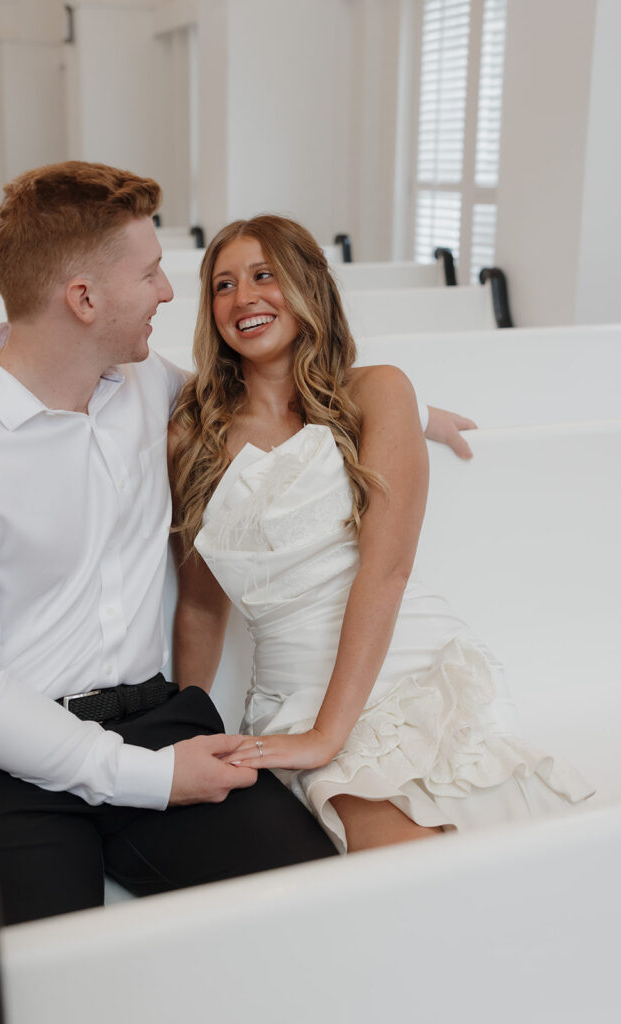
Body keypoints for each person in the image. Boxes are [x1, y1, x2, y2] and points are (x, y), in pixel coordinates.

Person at [0, 160, 478, 924]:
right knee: (38, 974)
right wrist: (144, 777)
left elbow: (273, 402)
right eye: (150, 273)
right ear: (83, 299)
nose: (165, 292)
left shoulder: (145, 388)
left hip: (153, 721)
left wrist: (406, 412)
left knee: (324, 913)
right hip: (5, 759)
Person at [168, 214, 593, 853]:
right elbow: (201, 606)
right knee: (397, 862)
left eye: (264, 275)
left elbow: (385, 571)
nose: (244, 298)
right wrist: (185, 728)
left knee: (486, 858)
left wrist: (328, 736)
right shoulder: (192, 433)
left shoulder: (378, 390)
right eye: (223, 285)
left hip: (409, 663)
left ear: (306, 284)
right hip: (294, 692)